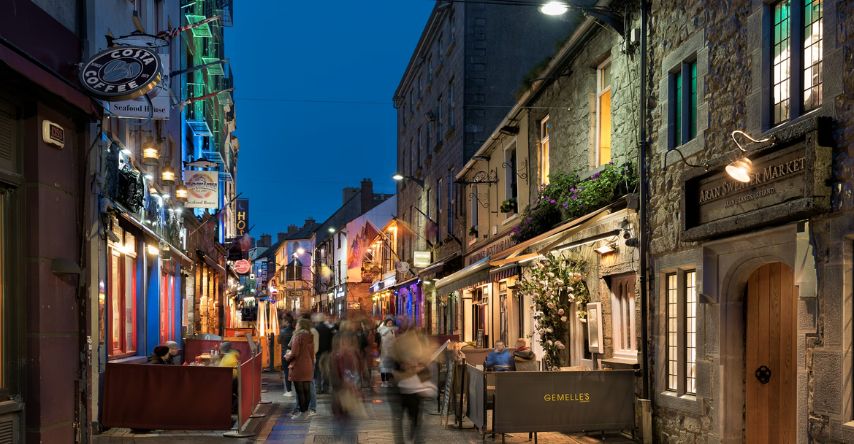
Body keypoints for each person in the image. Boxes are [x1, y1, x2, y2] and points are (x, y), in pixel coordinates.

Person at [390, 328, 436, 444]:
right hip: (402, 392)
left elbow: (426, 373)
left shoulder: (419, 353)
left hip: (414, 392)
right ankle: (406, 439)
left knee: (413, 419)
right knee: (402, 419)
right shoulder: (398, 352)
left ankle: (412, 437)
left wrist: (418, 368)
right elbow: (395, 373)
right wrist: (408, 369)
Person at [330, 325, 364, 443]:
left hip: (351, 397)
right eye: (343, 343)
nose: (346, 346)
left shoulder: (353, 356)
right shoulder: (336, 357)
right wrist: (346, 384)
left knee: (349, 425)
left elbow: (358, 373)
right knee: (342, 424)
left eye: (348, 343)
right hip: (340, 396)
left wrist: (355, 386)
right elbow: (334, 378)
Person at [287, 318, 316, 419]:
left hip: (298, 366)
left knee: (300, 391)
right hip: (308, 365)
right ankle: (306, 412)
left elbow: (294, 353)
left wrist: (287, 357)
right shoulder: (310, 336)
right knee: (307, 390)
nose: (295, 326)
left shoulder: (297, 336)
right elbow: (312, 353)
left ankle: (302, 412)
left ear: (300, 325)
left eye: (297, 324)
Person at [218, 342, 241, 412]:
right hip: (233, 379)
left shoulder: (228, 358)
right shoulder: (231, 355)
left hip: (230, 381)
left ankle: (230, 408)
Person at [278, 315, 296, 397]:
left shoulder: (282, 331)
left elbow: (279, 341)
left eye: (283, 320)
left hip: (285, 354)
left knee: (286, 372)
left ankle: (289, 391)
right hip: (294, 353)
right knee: (295, 371)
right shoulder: (295, 331)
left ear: (286, 322)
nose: (282, 322)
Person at [377, 318, 397, 387]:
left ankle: (387, 381)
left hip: (390, 351)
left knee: (388, 367)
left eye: (391, 323)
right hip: (384, 351)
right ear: (386, 323)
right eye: (389, 323)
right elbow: (380, 331)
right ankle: (383, 382)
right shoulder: (383, 329)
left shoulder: (392, 331)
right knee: (383, 367)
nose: (390, 324)